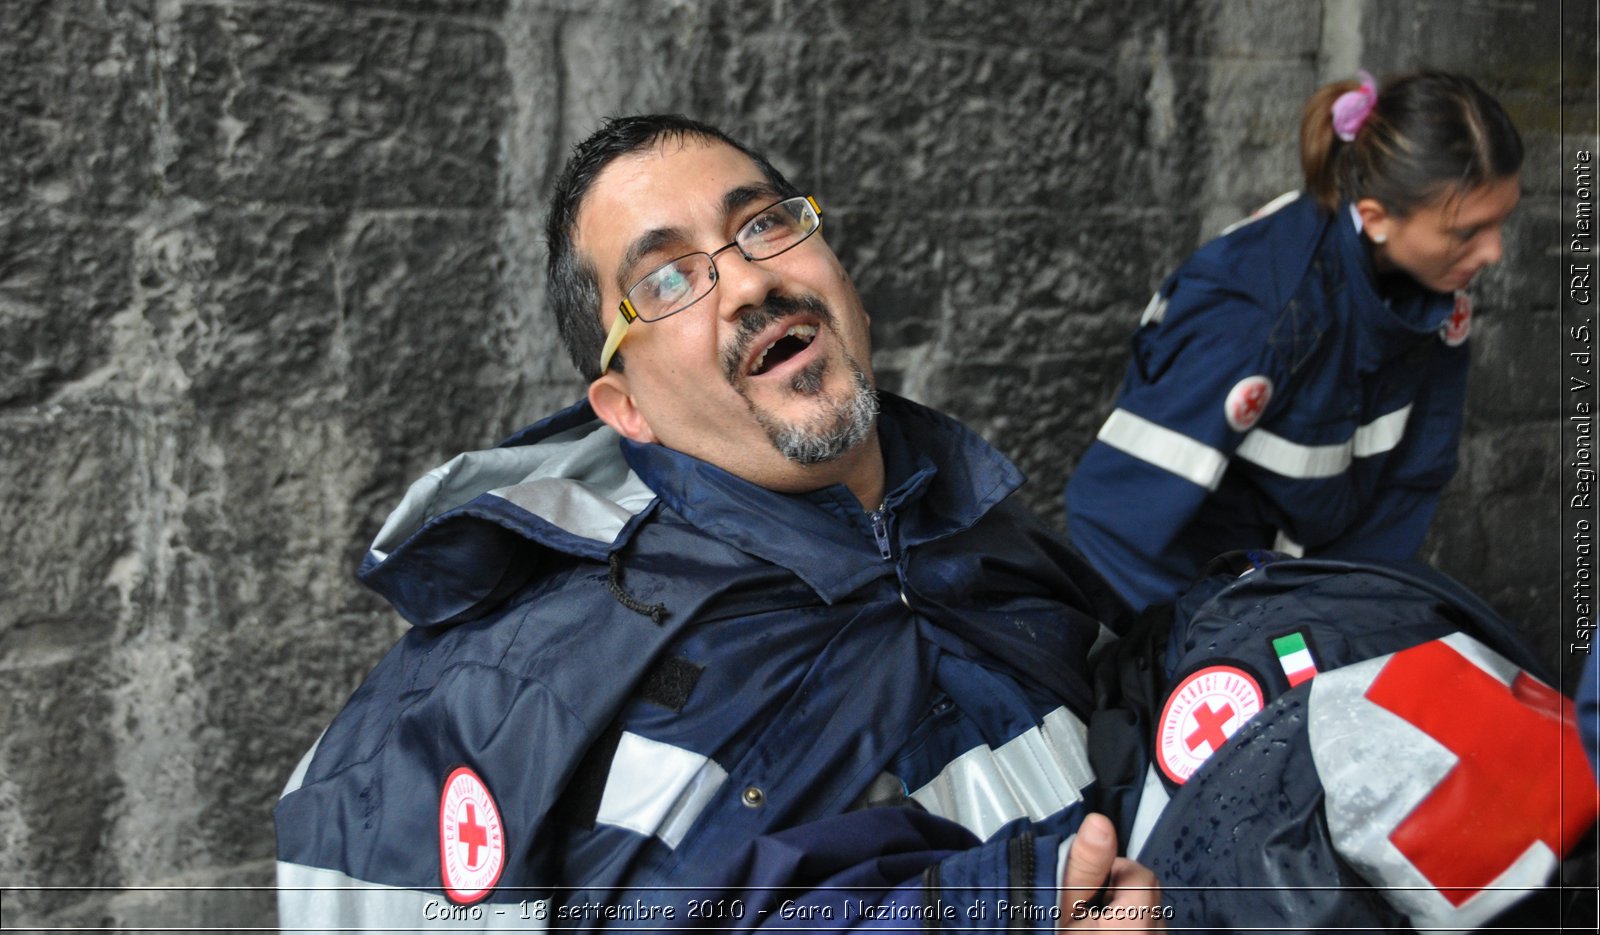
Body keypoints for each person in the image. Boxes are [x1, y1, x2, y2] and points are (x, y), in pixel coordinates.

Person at [274, 115, 1164, 930]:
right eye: (666, 280)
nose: (747, 279)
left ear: (841, 275)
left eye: (766, 225)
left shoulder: (987, 533)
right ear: (624, 408)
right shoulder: (511, 690)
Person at [1065, 70, 1524, 610]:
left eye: (1501, 222)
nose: (1494, 253)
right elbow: (1113, 517)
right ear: (1376, 218)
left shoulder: (1435, 296)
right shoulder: (1259, 313)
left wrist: (1350, 618)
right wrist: (1217, 646)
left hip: (1311, 594)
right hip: (1208, 606)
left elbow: (1412, 479)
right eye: (1467, 232)